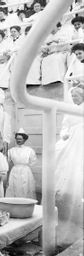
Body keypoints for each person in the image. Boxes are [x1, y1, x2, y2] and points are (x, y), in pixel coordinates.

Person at [55, 86, 84, 246]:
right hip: (71, 140)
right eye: (72, 95)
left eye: (77, 95)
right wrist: (64, 133)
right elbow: (64, 127)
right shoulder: (70, 110)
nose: (74, 98)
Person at [6, 128, 37, 199]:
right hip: (15, 171)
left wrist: (26, 167)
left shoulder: (29, 150)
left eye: (20, 139)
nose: (18, 140)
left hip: (25, 171)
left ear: (24, 140)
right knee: (14, 187)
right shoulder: (11, 150)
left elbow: (33, 162)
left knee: (25, 188)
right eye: (17, 139)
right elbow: (7, 161)